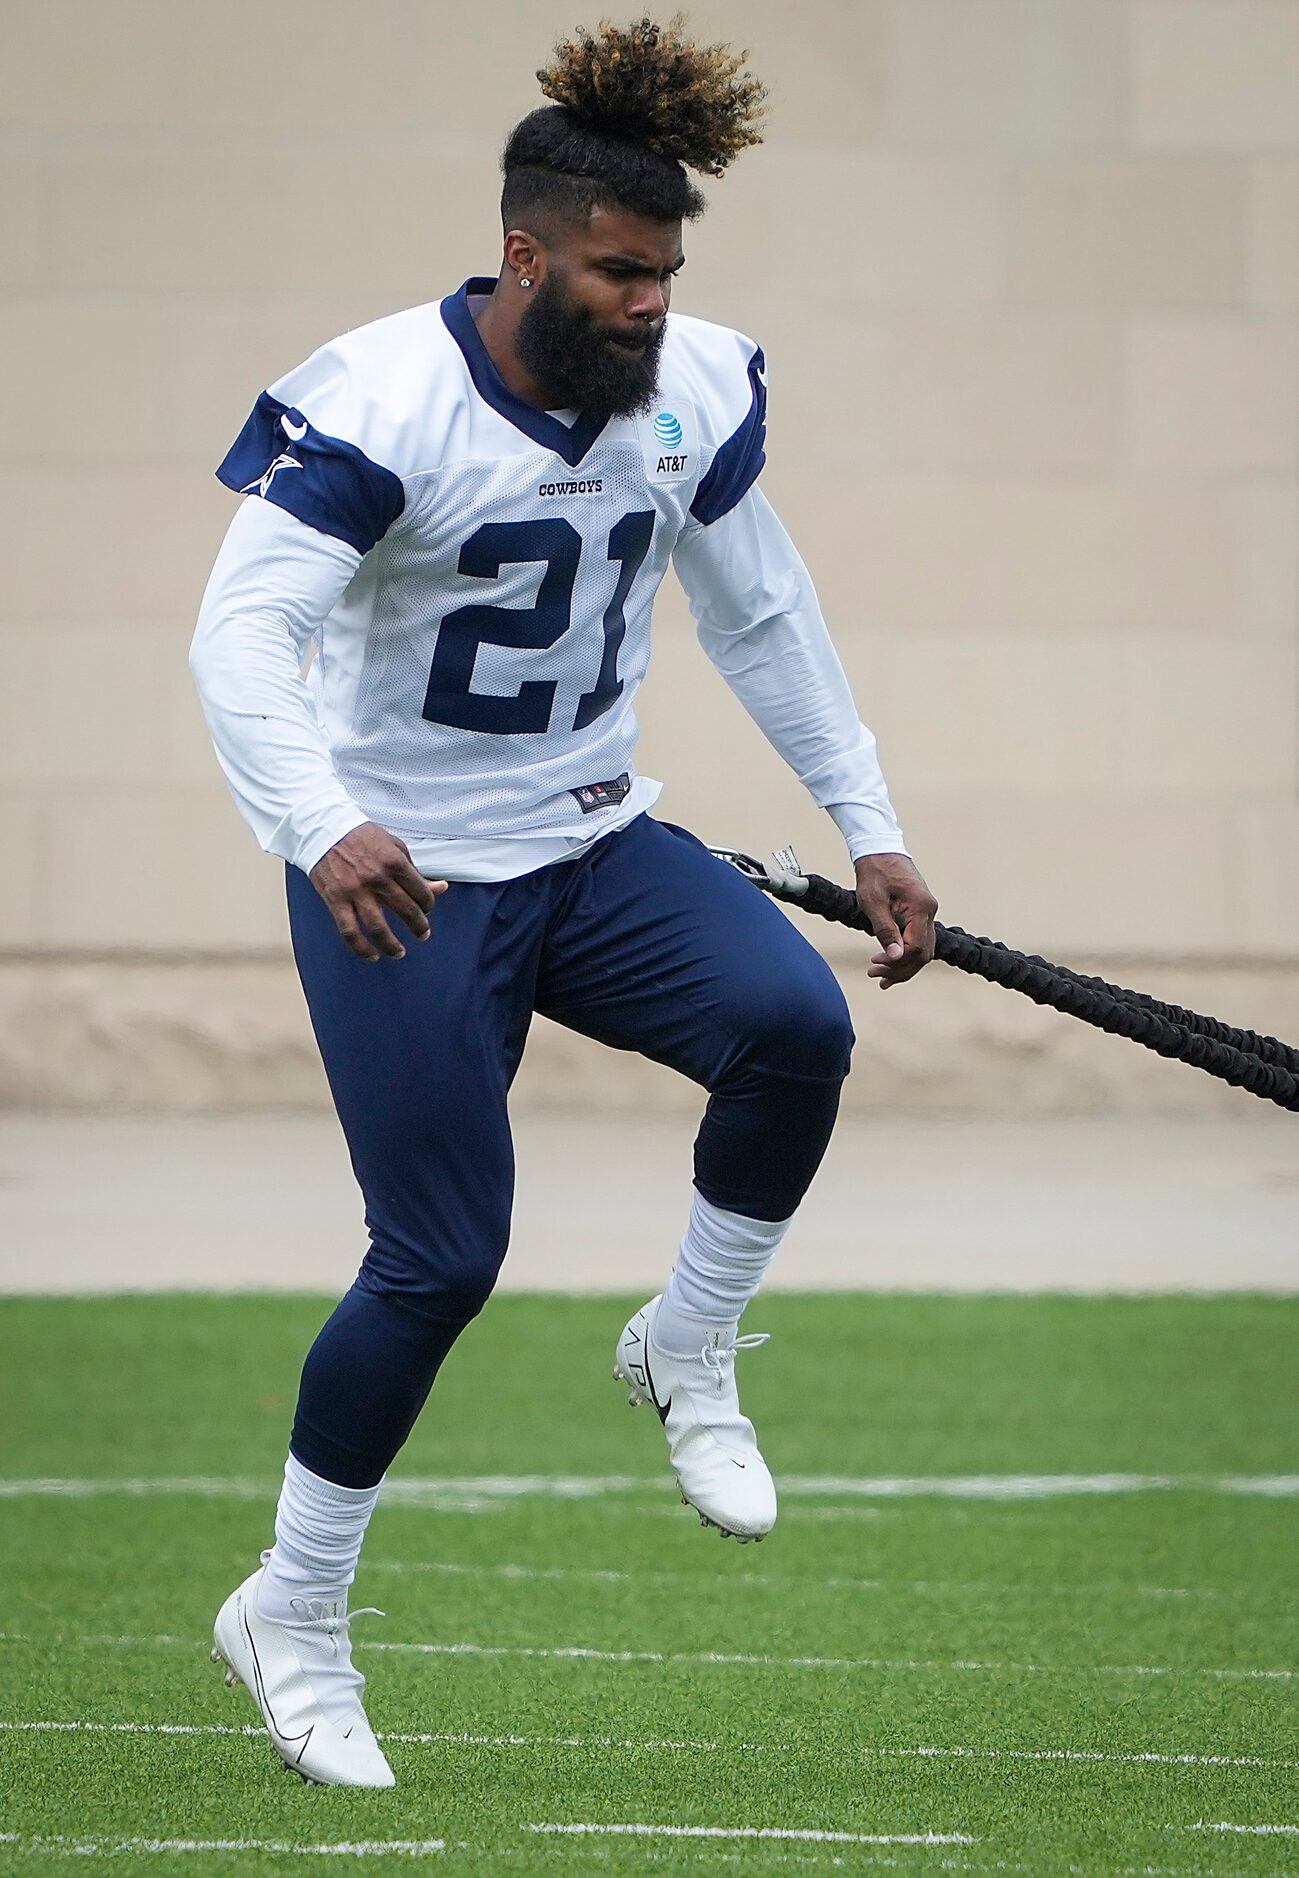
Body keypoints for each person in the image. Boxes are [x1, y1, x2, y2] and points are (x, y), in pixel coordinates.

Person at [190, 16, 937, 1789]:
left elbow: (763, 614)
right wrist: (320, 820)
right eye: (616, 274)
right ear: (526, 251)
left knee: (793, 1025)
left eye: (667, 276)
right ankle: (290, 1611)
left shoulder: (692, 390)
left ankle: (684, 1343)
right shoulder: (381, 400)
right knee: (440, 1257)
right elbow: (242, 637)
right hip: (409, 878)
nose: (649, 307)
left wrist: (872, 819)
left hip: (595, 844)